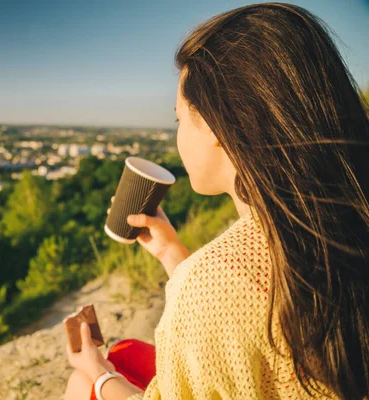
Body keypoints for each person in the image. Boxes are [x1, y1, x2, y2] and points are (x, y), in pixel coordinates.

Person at [64, 2, 369, 399]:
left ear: (217, 126)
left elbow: (230, 302)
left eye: (179, 118)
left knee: (84, 382)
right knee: (123, 352)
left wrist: (97, 373)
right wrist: (173, 254)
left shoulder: (217, 284)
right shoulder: (337, 220)